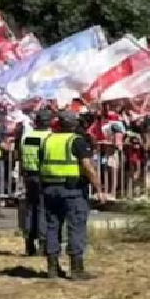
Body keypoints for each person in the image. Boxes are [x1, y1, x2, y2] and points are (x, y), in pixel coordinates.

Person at [39, 111, 107, 280]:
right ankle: (76, 269)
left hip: (50, 189)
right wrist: (99, 189)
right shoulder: (76, 141)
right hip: (72, 190)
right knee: (76, 227)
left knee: (52, 227)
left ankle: (52, 268)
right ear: (74, 124)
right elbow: (88, 167)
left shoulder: (47, 140)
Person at [19, 109, 53, 256]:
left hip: (29, 175)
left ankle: (29, 243)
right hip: (44, 176)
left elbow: (21, 156)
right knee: (43, 209)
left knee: (30, 209)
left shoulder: (26, 137)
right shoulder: (49, 137)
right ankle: (42, 243)